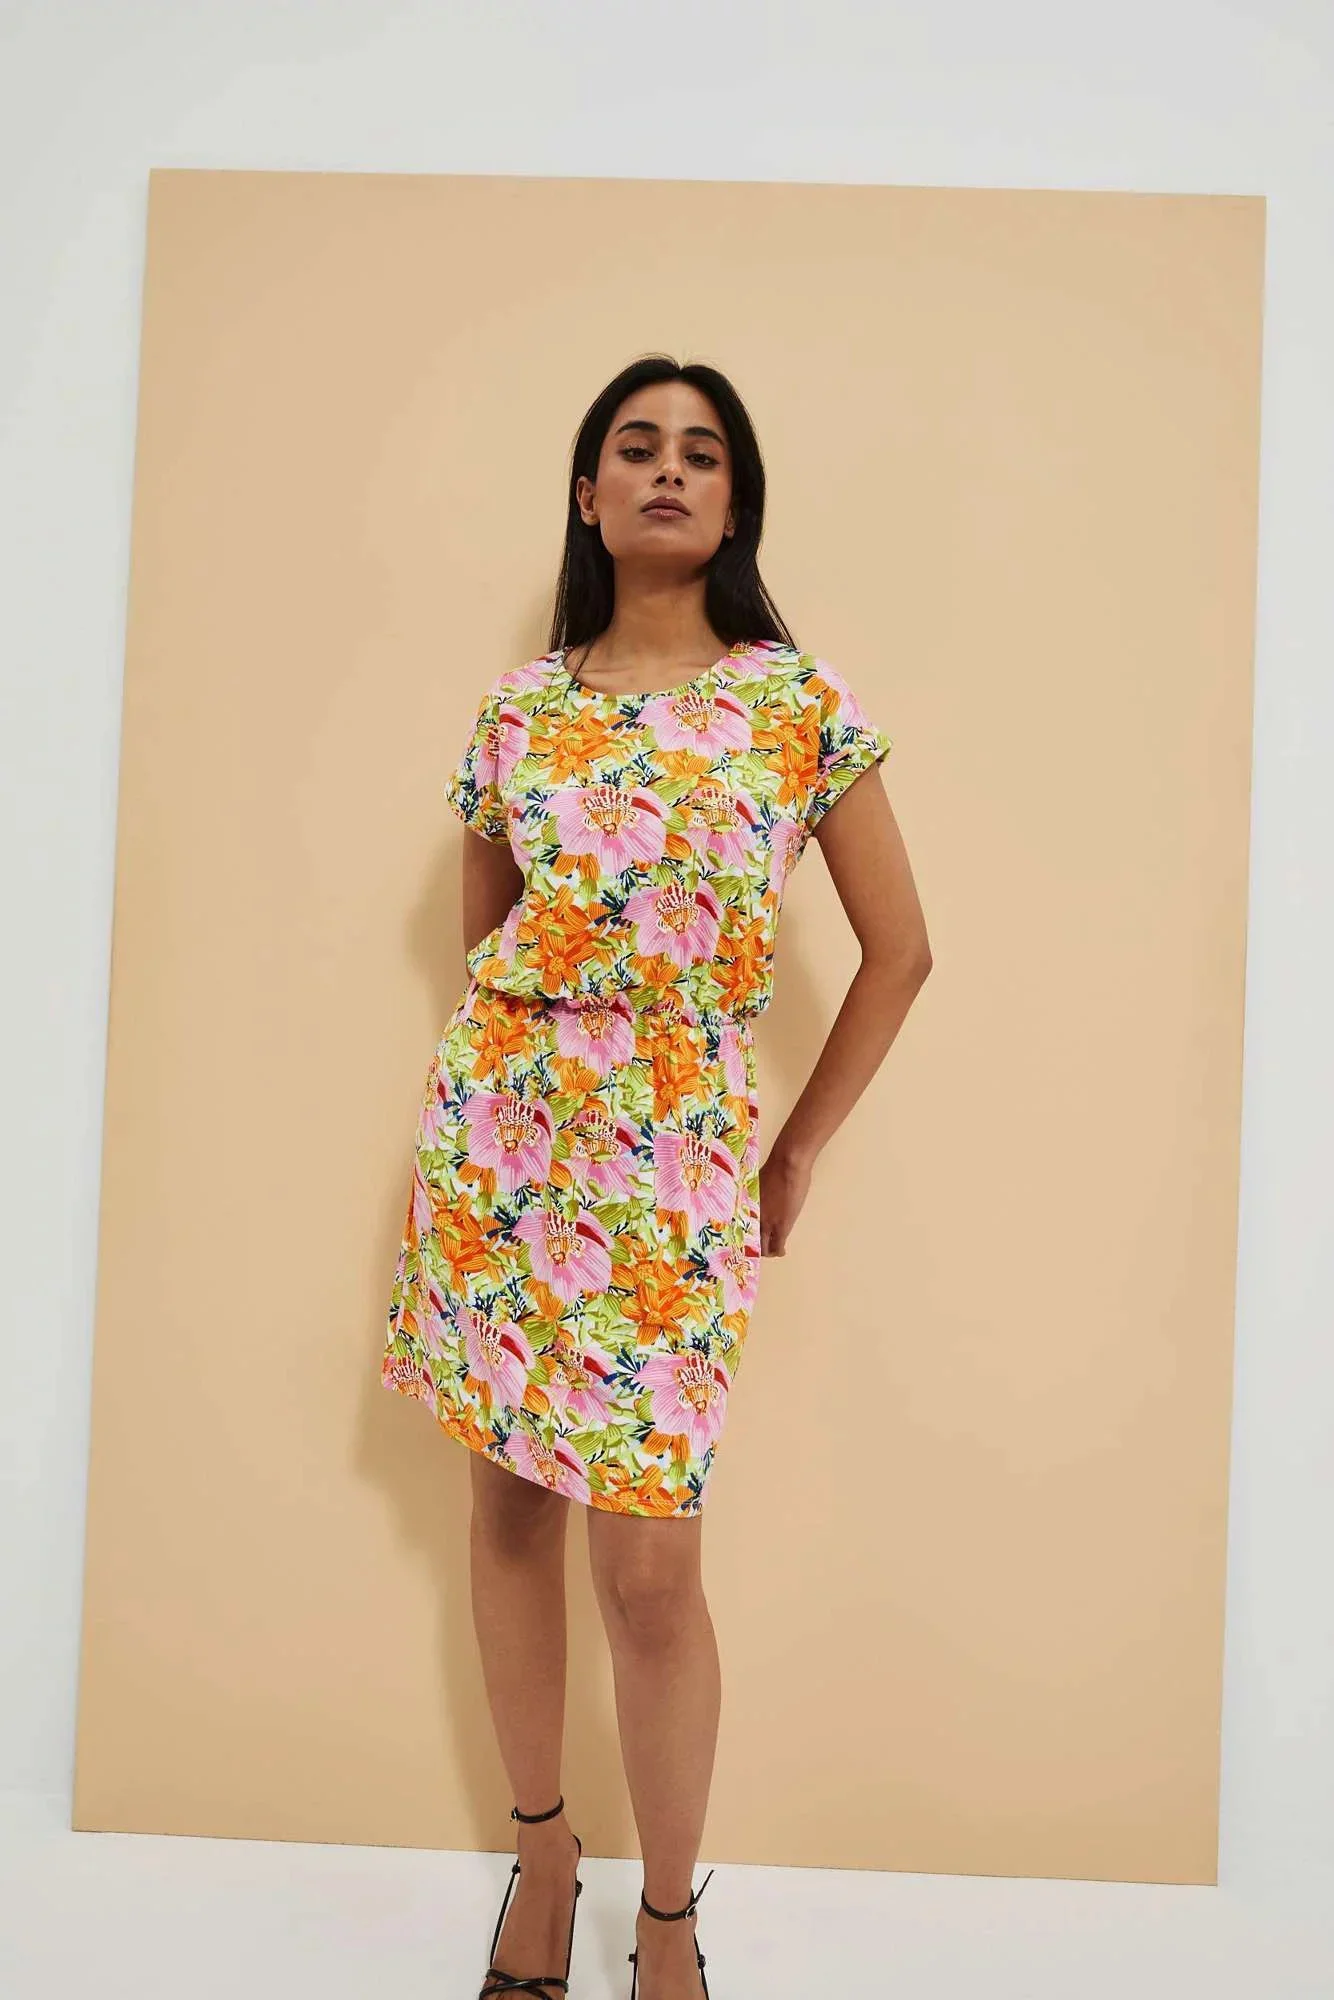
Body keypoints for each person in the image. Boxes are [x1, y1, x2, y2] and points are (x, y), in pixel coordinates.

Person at [381, 353, 932, 2000]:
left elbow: (901, 953)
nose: (669, 470)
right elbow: (485, 942)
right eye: (636, 447)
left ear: (737, 502)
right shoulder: (519, 709)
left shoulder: (794, 703)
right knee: (504, 1509)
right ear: (589, 494)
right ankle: (542, 1852)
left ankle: (673, 1914)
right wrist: (521, 1097)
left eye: (702, 452)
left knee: (647, 1563)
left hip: (675, 1155)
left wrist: (791, 1150)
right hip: (503, 1143)